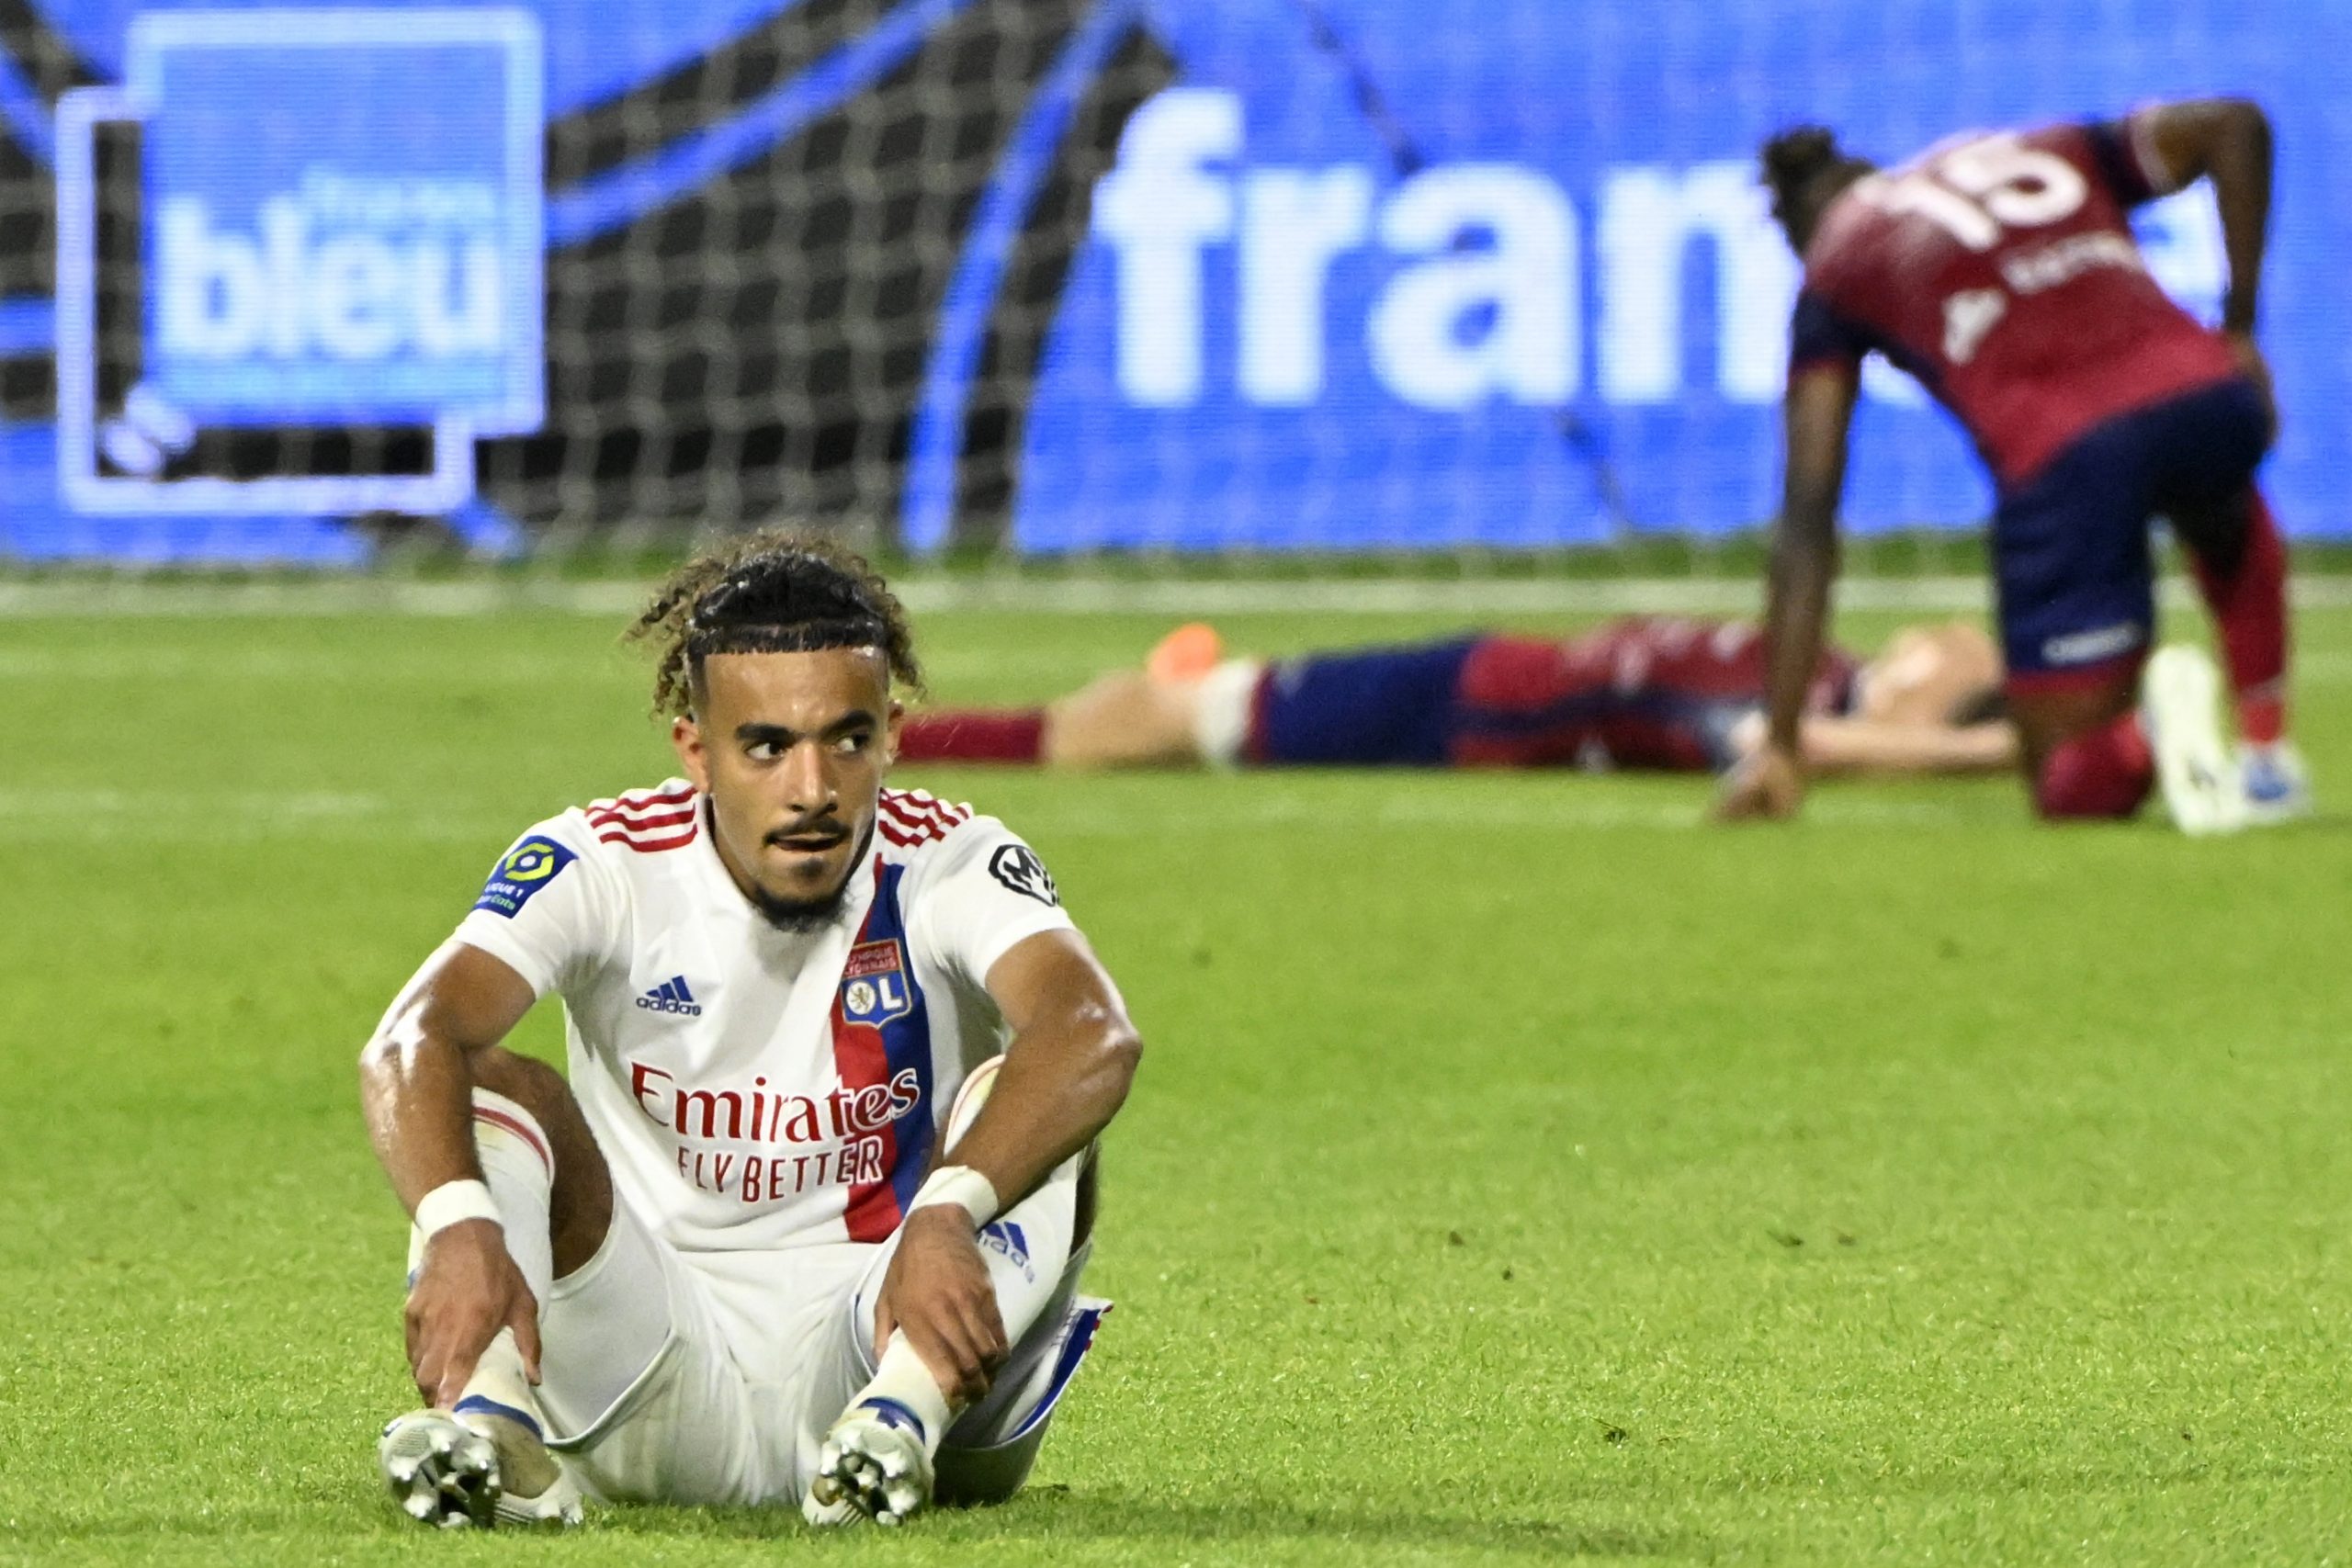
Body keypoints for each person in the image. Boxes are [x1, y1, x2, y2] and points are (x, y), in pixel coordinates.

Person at [360, 534, 1141, 1529]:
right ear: (697, 749)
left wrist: (948, 1209)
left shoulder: (951, 859)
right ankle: (495, 1430)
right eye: (766, 745)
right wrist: (457, 1225)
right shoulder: (604, 863)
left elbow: (1092, 1031)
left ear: (892, 736)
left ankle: (888, 1433)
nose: (810, 788)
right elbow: (409, 1037)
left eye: (846, 740)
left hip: (902, 1343)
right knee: (493, 1089)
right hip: (643, 1375)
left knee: (1032, 1091)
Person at [1720, 99, 2310, 833]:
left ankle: (2146, 733)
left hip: (2068, 457)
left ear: (1803, 238)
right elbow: (2237, 124)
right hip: (2208, 392)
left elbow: (1809, 513)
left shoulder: (1838, 266)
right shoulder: (2026, 149)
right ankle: (2266, 757)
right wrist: (2243, 330)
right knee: (2217, 495)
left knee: (2064, 778)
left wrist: (1782, 741)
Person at [894, 616, 2017, 780]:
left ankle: (891, 740)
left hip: (1487, 705)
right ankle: (884, 737)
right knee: (1154, 714)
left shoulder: (1805, 708)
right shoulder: (1815, 659)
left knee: (1143, 721)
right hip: (1492, 680)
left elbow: (1804, 748)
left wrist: (1989, 753)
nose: (1948, 639)